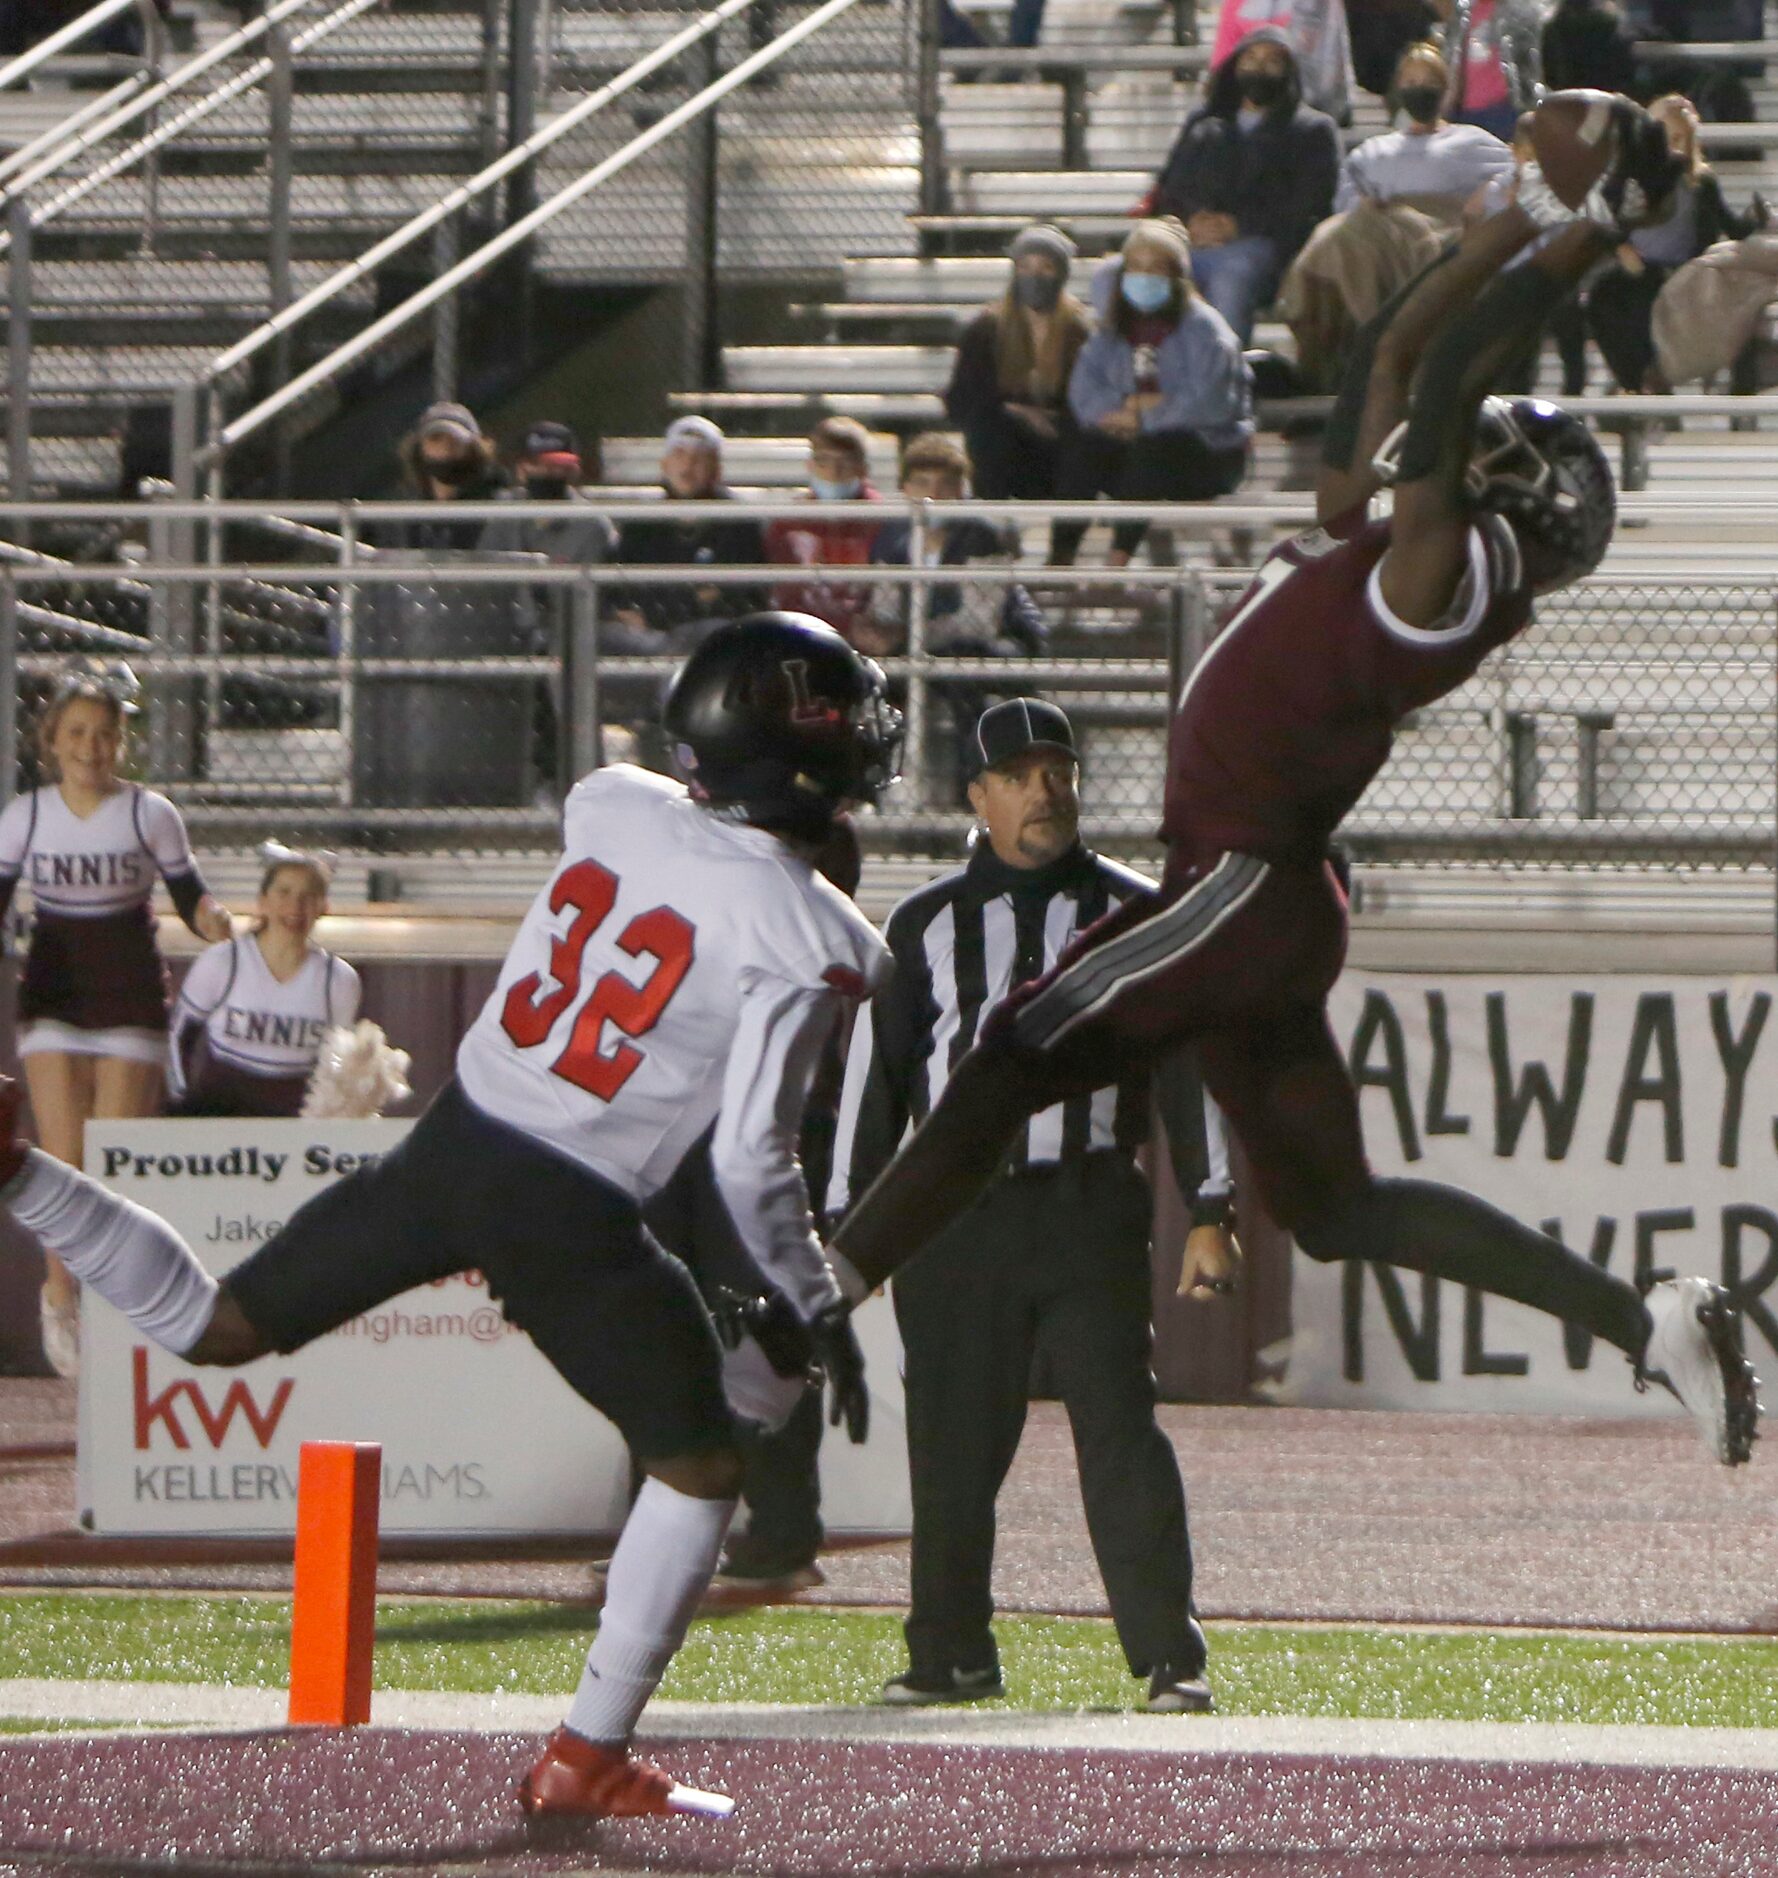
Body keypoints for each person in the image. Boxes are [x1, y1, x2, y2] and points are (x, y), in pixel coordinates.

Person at [821, 103, 1764, 1477]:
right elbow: (1395, 351)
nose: (1456, 445)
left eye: (1484, 453)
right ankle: (1649, 1316)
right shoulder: (1403, 547)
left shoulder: (1434, 578)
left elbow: (1442, 381)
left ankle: (815, 1289)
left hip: (1240, 879)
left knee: (1014, 1047)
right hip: (1257, 892)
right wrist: (1510, 212)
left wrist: (1586, 237)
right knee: (1334, 1209)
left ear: (1504, 498)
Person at [0, 613, 902, 1820]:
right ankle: (585, 1754)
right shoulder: (812, 931)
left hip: (458, 1138)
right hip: (568, 1198)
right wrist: (811, 1290)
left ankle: (19, 1176)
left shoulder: (615, 804)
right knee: (699, 1467)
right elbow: (750, 1155)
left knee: (216, 1327)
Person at [831, 698, 1231, 1714]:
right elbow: (873, 1088)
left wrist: (1211, 1206)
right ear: (975, 796)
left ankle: (1166, 1657)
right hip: (951, 1218)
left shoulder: (1139, 913)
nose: (1044, 790)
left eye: (1057, 770)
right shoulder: (923, 925)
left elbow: (1189, 1067)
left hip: (1085, 1203)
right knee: (951, 1444)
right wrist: (842, 1234)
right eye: (1018, 775)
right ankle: (950, 1652)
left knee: (1118, 1428)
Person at [0, 668, 232, 1376]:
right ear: (53, 742)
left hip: (129, 991)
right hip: (56, 995)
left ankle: (118, 1312)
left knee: (116, 1162)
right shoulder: (27, 815)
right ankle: (60, 1295)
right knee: (64, 1155)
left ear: (121, 743)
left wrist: (216, 923)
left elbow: (190, 894)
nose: (91, 748)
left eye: (105, 735)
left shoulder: (149, 813)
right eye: (77, 734)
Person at [1055, 220, 1254, 569]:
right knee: (1085, 447)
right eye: (1135, 267)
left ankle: (1118, 560)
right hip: (1132, 443)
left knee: (1156, 446)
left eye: (1155, 269)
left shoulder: (1207, 330)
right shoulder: (1112, 328)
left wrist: (1144, 417)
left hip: (1208, 454)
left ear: (1177, 276)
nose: (1143, 277)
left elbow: (1211, 402)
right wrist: (1116, 411)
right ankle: (1061, 556)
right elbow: (1084, 389)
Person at [1149, 30, 1342, 345]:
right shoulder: (1204, 123)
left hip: (1265, 247)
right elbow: (1170, 186)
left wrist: (1238, 225)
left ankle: (1224, 377)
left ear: (1288, 69)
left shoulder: (1313, 130)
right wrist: (1190, 223)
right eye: (1250, 58)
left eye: (1271, 61)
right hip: (1191, 240)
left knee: (1232, 273)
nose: (1259, 68)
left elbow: (1311, 205)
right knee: (1122, 272)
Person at [1586, 93, 1766, 392]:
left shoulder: (1701, 181)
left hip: (1686, 272)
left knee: (1743, 300)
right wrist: (1621, 247)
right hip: (1641, 268)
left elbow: (1730, 226)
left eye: (1680, 139)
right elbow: (1603, 216)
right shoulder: (1630, 176)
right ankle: (1636, 382)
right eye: (1666, 139)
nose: (1673, 148)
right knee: (1605, 296)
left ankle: (1738, 390)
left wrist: (1756, 221)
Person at [167, 845, 362, 1119]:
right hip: (222, 1117)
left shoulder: (339, 980)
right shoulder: (224, 962)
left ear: (323, 907)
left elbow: (340, 1069)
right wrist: (182, 1106)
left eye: (308, 896)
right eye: (284, 892)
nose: (295, 906)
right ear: (263, 901)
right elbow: (178, 1037)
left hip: (294, 1127)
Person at [943, 225, 1091, 539]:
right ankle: (991, 536)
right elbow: (960, 402)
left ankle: (1062, 552)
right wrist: (1018, 412)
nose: (1034, 277)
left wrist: (1053, 419)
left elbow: (1092, 400)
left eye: (1046, 268)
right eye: (1025, 267)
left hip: (1060, 450)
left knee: (1084, 439)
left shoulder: (1081, 331)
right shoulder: (985, 329)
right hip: (1007, 452)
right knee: (987, 428)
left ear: (1062, 274)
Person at [607, 417, 769, 643]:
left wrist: (659, 612)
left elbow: (730, 597)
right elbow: (620, 591)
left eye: (699, 458)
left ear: (717, 469)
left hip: (715, 639)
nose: (687, 466)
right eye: (679, 454)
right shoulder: (641, 524)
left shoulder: (739, 523)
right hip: (648, 639)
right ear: (664, 464)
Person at [1335, 43, 1515, 223]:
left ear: (1444, 89)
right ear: (1400, 88)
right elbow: (1348, 194)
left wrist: (1482, 200)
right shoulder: (1374, 151)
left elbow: (1514, 171)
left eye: (1430, 83)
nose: (1420, 89)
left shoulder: (1473, 142)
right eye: (1411, 82)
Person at [762, 417, 886, 644]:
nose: (834, 472)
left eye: (845, 463)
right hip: (801, 631)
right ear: (810, 465)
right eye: (823, 461)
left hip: (864, 633)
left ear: (863, 469)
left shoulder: (881, 519)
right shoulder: (789, 521)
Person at [484, 420, 616, 567]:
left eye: (559, 465)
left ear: (574, 470)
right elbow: (485, 580)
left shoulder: (592, 524)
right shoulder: (503, 516)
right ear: (521, 469)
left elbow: (591, 587)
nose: (551, 472)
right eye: (541, 465)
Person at [385, 401, 510, 550]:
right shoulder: (401, 512)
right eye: (435, 438)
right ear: (419, 447)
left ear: (474, 448)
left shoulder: (502, 508)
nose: (445, 448)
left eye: (456, 440)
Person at [1435, 0, 1543, 142]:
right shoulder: (1463, 12)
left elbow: (1527, 66)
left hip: (1504, 111)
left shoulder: (1517, 12)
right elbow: (1455, 60)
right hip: (1463, 112)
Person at [1540, 0, 1639, 97]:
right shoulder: (1609, 23)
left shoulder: (1554, 26)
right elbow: (1625, 65)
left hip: (1567, 96)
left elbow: (1549, 69)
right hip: (1605, 95)